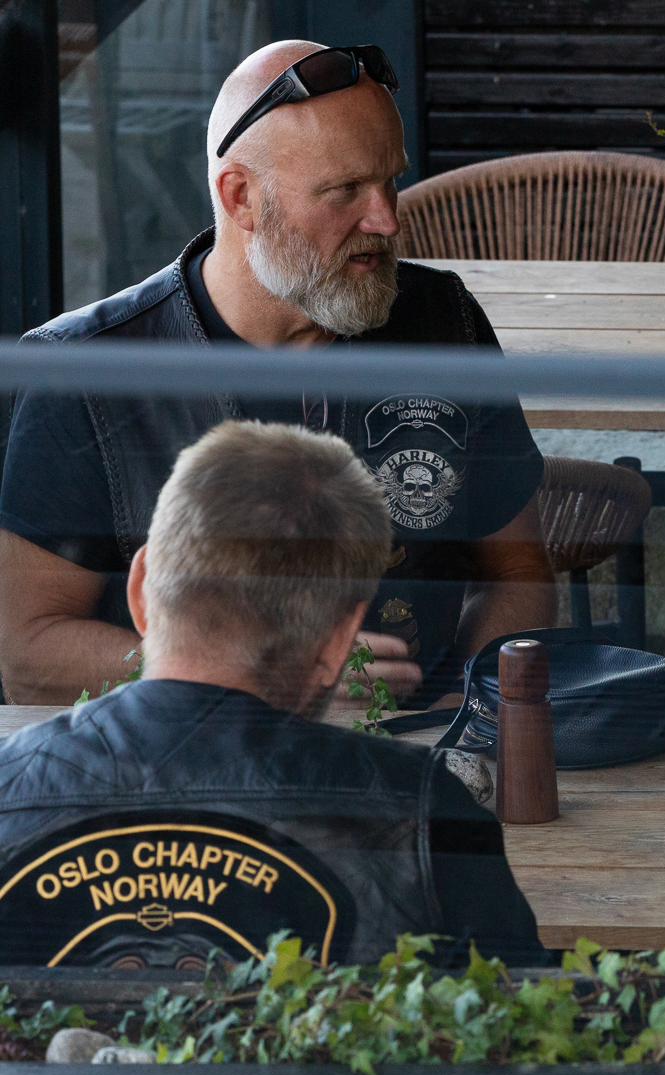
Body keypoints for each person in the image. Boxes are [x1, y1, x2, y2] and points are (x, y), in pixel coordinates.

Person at [0, 39, 554, 711]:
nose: (385, 219)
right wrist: (265, 677)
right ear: (241, 197)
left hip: (414, 750)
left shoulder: (443, 321)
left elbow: (519, 574)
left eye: (390, 180)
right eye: (345, 190)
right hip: (186, 757)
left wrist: (460, 717)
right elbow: (27, 653)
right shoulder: (84, 371)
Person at [0, 420, 545, 970]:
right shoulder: (424, 814)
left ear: (140, 589)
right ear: (340, 641)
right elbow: (522, 1011)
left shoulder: (8, 788)